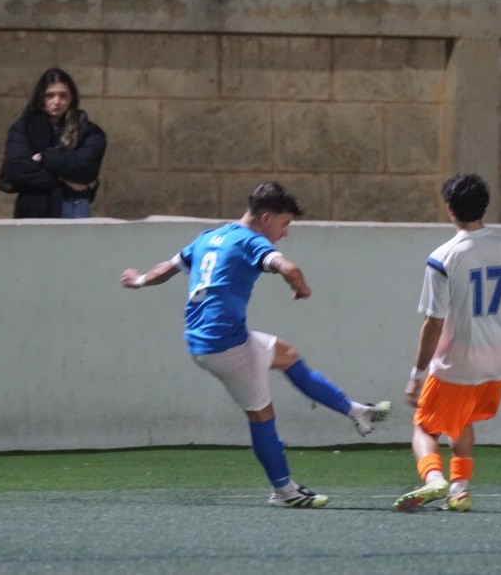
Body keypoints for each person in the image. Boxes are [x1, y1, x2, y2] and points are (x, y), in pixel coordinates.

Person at [120, 181, 391, 508]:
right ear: (265, 218)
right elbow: (289, 268)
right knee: (262, 416)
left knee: (287, 355)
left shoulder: (211, 237)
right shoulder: (252, 241)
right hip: (226, 347)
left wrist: (138, 280)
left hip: (211, 338)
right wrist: (300, 287)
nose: (285, 233)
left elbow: (168, 268)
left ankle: (356, 412)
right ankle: (284, 491)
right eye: (284, 224)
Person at [394, 173, 501, 513]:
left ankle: (434, 478)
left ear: (449, 209)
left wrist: (416, 374)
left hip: (460, 360)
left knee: (424, 426)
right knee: (461, 419)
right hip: (500, 360)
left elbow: (433, 323)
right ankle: (459, 490)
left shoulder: (443, 257)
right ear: (485, 206)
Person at [0, 68, 107, 218]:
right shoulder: (23, 128)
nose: (57, 102)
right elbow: (15, 170)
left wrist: (44, 157)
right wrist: (63, 180)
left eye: (63, 95)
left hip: (73, 207)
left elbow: (85, 167)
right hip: (33, 208)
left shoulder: (88, 131)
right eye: (50, 95)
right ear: (40, 97)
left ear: (71, 97)